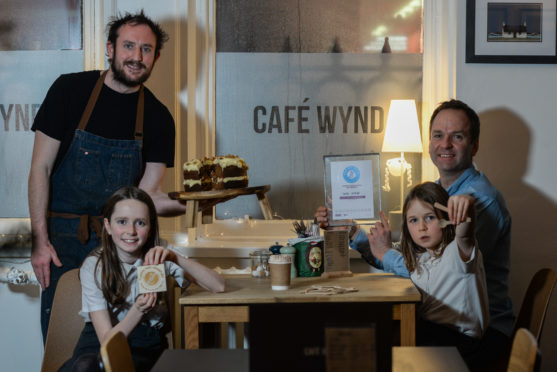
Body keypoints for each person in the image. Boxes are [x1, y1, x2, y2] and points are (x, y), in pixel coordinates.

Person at [315, 99, 513, 370]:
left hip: (477, 335)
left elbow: (435, 272)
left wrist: (385, 253)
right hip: (441, 323)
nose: (445, 144)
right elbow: (415, 256)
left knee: (370, 347)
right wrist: (352, 231)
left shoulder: (479, 202)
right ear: (430, 142)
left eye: (457, 136)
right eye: (438, 135)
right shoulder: (434, 192)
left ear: (474, 145)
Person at [28, 10, 187, 341]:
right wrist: (39, 242)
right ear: (110, 49)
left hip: (122, 249)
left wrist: (184, 204)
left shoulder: (159, 118)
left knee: (127, 344)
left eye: (146, 50)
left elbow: (144, 201)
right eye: (128, 46)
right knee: (65, 344)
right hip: (63, 245)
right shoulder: (69, 90)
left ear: (156, 57)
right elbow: (40, 169)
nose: (136, 57)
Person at [60, 186, 225, 372]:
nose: (131, 231)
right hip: (102, 338)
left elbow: (218, 285)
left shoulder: (159, 254)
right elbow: (107, 343)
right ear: (107, 226)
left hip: (145, 341)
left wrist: (174, 257)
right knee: (85, 367)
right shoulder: (94, 266)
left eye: (140, 223)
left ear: (151, 226)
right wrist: (138, 309)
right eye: (122, 222)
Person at [400, 182, 489, 365]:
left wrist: (466, 206)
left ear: (447, 218)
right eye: (413, 220)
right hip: (435, 337)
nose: (422, 227)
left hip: (461, 345)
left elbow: (465, 235)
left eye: (430, 217)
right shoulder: (423, 260)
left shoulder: (456, 252)